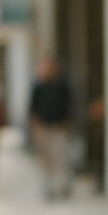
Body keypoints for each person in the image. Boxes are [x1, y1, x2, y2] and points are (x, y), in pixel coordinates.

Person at [27, 57, 74, 199]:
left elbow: (69, 106)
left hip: (59, 127)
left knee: (61, 157)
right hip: (44, 127)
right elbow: (33, 109)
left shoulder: (62, 86)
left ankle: (62, 186)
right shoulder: (39, 87)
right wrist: (35, 128)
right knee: (46, 159)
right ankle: (49, 187)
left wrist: (67, 124)